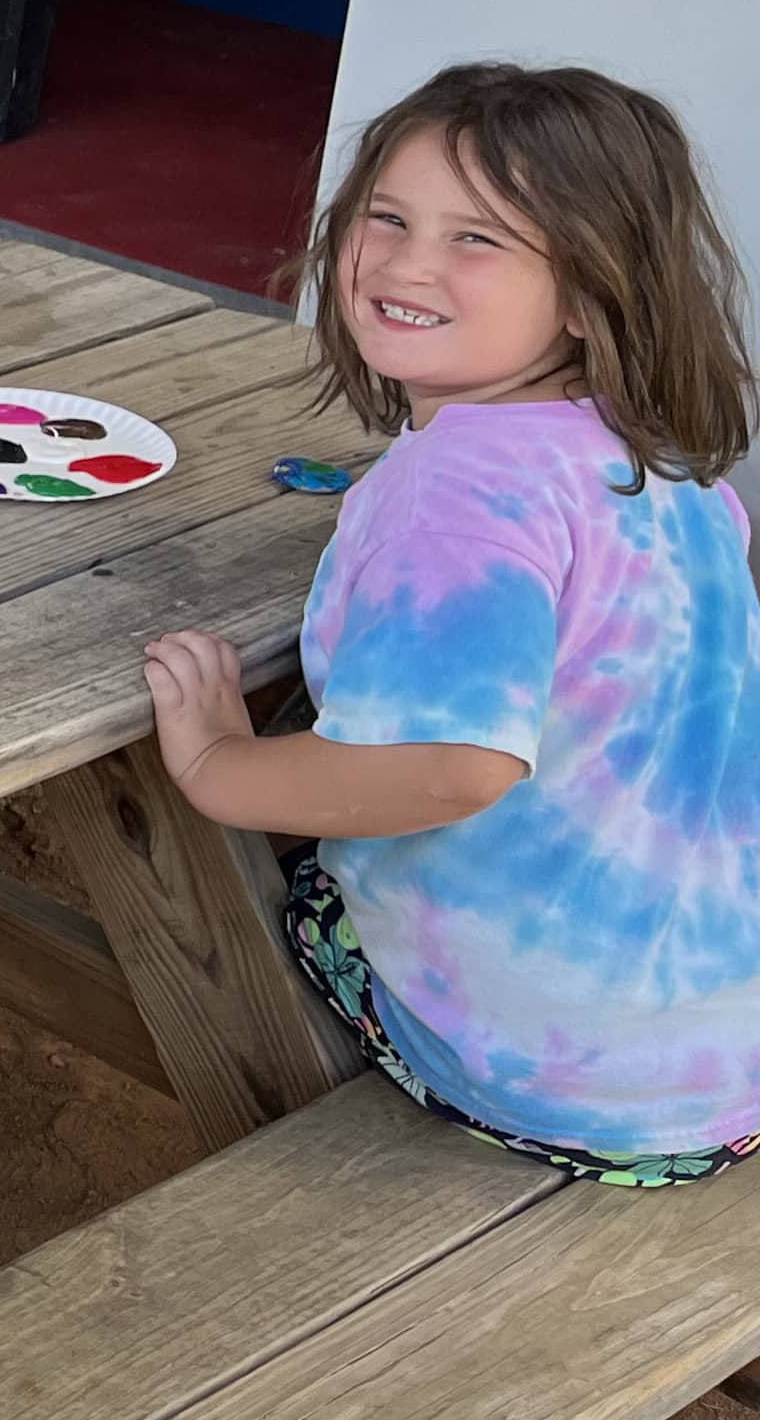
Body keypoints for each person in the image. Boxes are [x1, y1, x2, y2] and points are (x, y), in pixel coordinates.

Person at [143, 61, 760, 1185]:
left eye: (477, 238)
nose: (406, 263)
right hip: (723, 1056)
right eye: (387, 217)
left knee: (286, 878)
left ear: (589, 292)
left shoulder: (456, 498)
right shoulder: (670, 471)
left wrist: (219, 767)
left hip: (558, 1080)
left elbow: (451, 766)